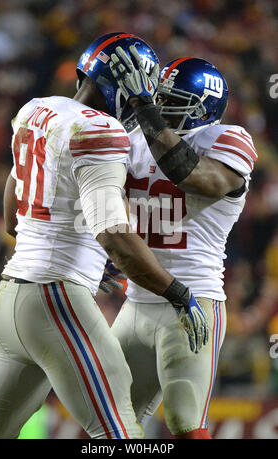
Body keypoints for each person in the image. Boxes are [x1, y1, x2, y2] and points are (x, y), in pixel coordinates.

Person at [0, 33, 208, 439]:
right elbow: (114, 235)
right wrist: (177, 292)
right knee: (120, 434)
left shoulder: (36, 110)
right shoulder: (101, 132)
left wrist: (72, 251)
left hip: (9, 299)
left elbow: (14, 215)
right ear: (126, 88)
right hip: (54, 300)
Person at [108, 47, 258, 439]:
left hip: (194, 299)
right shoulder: (135, 136)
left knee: (184, 421)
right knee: (110, 422)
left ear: (205, 108)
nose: (162, 107)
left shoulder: (227, 139)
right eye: (159, 98)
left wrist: (144, 108)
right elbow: (103, 203)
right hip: (136, 301)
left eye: (174, 102)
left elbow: (191, 175)